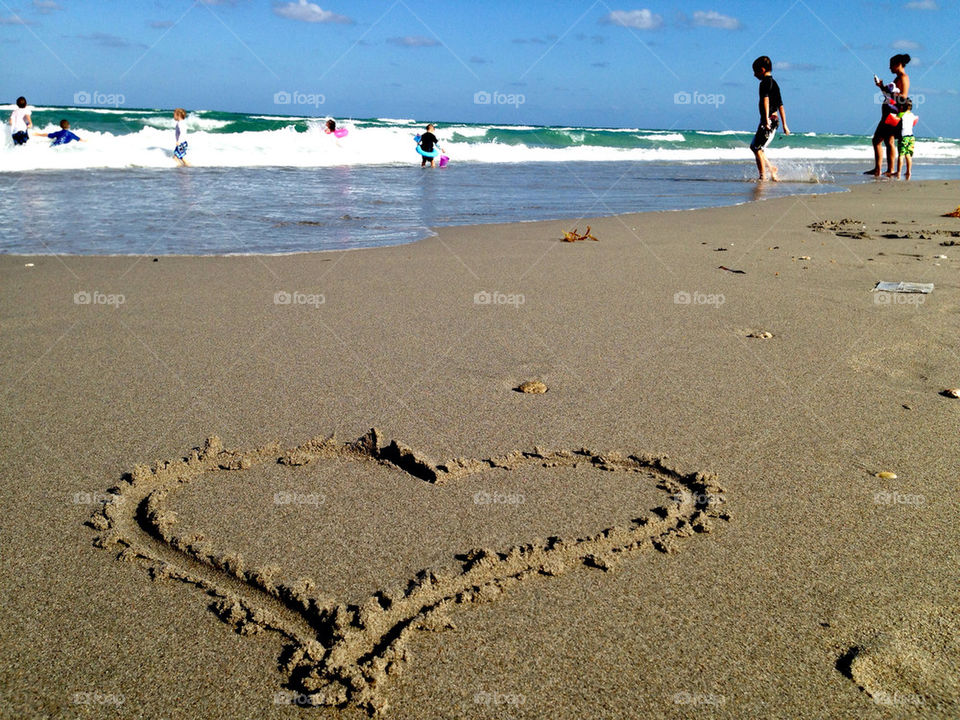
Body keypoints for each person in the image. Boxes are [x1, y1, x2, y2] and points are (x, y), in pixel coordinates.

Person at [867, 54, 910, 176]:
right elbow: (889, 95)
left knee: (878, 140)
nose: (889, 68)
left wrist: (892, 93)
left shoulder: (903, 78)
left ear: (898, 64)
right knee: (886, 140)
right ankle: (882, 169)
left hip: (892, 114)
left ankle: (881, 169)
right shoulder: (898, 78)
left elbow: (903, 97)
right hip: (889, 113)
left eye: (891, 65)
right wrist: (881, 86)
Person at [749, 56, 789, 181]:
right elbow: (780, 105)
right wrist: (784, 124)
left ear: (762, 69)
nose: (754, 75)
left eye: (755, 71)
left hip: (769, 119)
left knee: (757, 148)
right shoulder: (775, 83)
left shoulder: (764, 83)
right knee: (756, 147)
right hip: (773, 119)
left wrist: (766, 119)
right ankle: (771, 168)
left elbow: (765, 100)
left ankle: (763, 177)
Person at [894, 99, 918, 180]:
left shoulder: (901, 114)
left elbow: (895, 119)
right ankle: (908, 171)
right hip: (911, 137)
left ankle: (899, 172)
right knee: (908, 155)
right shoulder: (912, 115)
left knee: (901, 155)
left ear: (902, 106)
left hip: (903, 137)